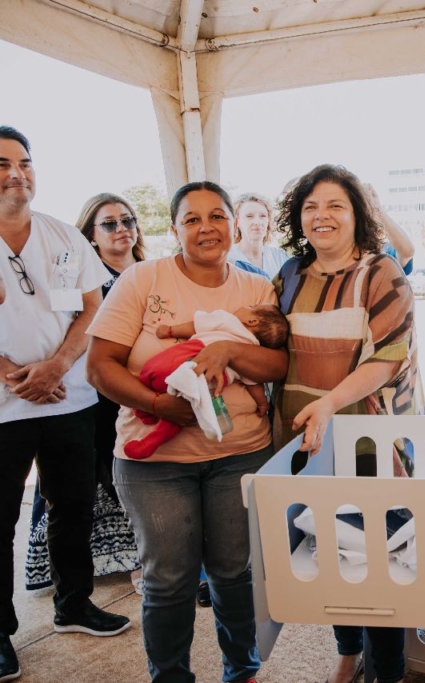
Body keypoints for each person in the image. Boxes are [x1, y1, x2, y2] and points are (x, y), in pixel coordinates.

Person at [86, 180, 288, 682]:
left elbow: (278, 364)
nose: (206, 228)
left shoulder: (256, 287)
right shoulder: (142, 279)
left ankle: (243, 670)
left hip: (240, 454)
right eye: (191, 219)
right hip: (155, 464)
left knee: (234, 572)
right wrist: (159, 405)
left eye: (216, 216)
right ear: (174, 229)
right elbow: (100, 366)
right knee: (169, 581)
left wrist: (229, 351)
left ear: (233, 225)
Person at [273, 164, 423, 683]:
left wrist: (331, 402)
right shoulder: (289, 274)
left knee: (378, 560)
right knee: (328, 552)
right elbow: (275, 345)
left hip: (371, 441)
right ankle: (347, 649)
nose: (322, 216)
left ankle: (388, 670)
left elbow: (389, 357)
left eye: (335, 205)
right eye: (311, 207)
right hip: (309, 441)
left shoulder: (382, 272)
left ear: (358, 214)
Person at [0, 127, 132, 683]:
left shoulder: (62, 236)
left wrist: (56, 367)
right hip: (4, 407)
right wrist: (12, 375)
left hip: (68, 399)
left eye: (25, 162)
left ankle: (74, 603)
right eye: (2, 164)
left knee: (73, 507)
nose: (17, 173)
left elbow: (92, 307)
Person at [25, 193, 145, 595]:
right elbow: (69, 327)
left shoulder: (151, 271)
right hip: (95, 391)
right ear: (91, 235)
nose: (122, 229)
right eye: (109, 223)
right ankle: (110, 564)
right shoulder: (78, 274)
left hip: (144, 385)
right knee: (96, 475)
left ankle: (142, 555)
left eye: (128, 220)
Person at [119, 305, 288, 460]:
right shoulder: (253, 352)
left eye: (251, 307)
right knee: (181, 412)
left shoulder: (228, 320)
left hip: (190, 354)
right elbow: (254, 384)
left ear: (252, 321)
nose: (246, 306)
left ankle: (143, 412)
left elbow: (195, 326)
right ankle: (150, 442)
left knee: (150, 371)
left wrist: (170, 331)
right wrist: (262, 403)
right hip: (204, 383)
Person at [228, 193, 289, 279]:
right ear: (237, 222)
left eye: (263, 216)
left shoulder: (280, 256)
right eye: (249, 216)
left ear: (268, 221)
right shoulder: (227, 258)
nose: (257, 222)